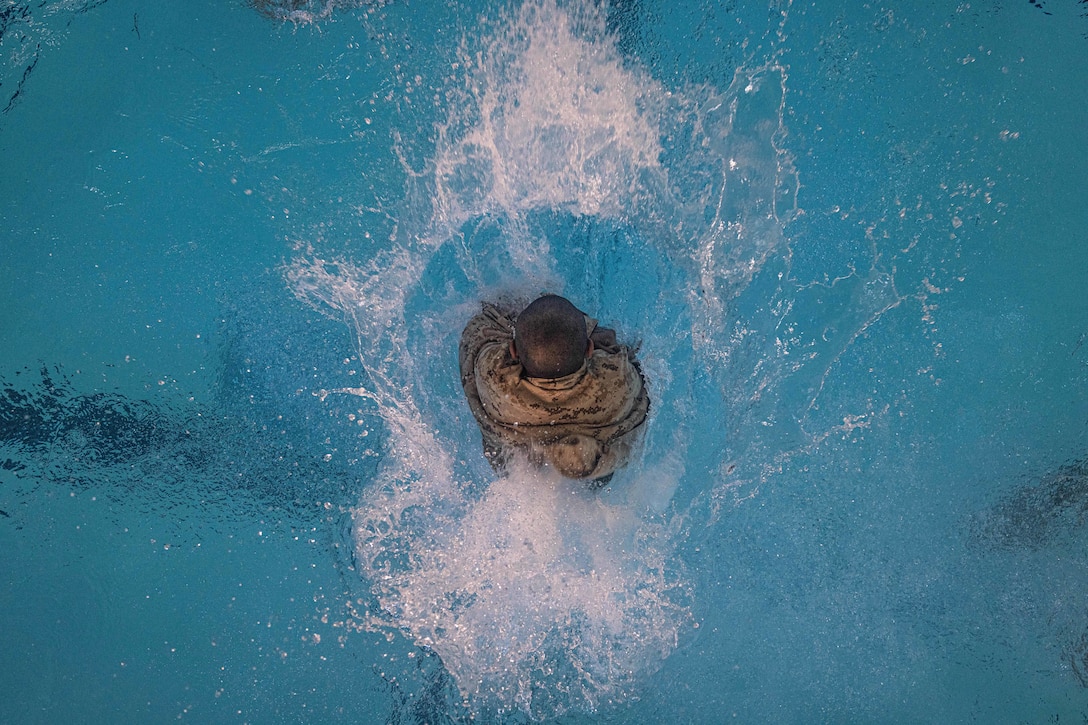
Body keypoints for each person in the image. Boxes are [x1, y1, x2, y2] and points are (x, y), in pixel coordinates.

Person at [459, 294, 649, 484]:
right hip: (590, 460)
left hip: (515, 461)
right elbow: (617, 348)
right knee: (595, 458)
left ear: (514, 350)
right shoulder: (617, 378)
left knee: (509, 459)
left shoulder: (494, 377)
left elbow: (479, 329)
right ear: (589, 349)